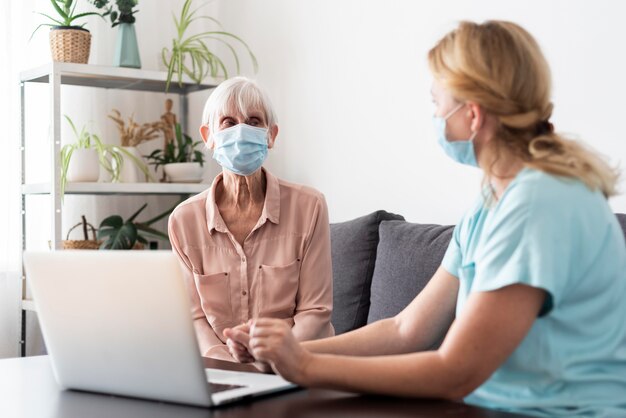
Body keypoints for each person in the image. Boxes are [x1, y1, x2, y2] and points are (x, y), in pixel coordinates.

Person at [224, 21, 626, 417]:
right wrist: (282, 354)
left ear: (472, 114)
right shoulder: (492, 204)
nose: (434, 115)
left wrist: (304, 367)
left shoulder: (539, 204)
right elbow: (407, 330)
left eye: (437, 103)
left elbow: (457, 372)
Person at [168, 77, 334, 362]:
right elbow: (195, 319)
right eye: (229, 122)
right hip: (222, 368)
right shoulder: (184, 220)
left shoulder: (310, 206)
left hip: (298, 363)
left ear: (271, 135)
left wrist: (275, 359)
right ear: (208, 136)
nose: (242, 131)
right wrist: (229, 363)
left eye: (254, 121)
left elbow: (315, 312)